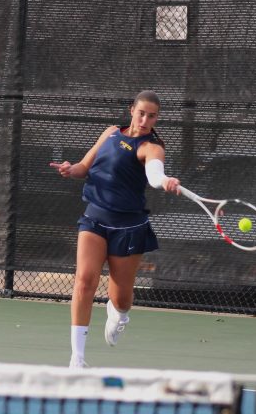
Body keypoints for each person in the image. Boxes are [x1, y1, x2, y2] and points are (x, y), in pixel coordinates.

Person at [49, 90, 181, 368]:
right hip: (95, 218)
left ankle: (119, 314)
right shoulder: (110, 133)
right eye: (141, 112)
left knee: (120, 297)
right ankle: (77, 358)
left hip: (129, 226)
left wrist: (165, 180)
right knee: (84, 280)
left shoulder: (152, 147)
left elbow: (154, 175)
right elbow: (84, 167)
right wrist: (69, 168)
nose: (145, 119)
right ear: (131, 110)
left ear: (157, 118)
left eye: (152, 115)